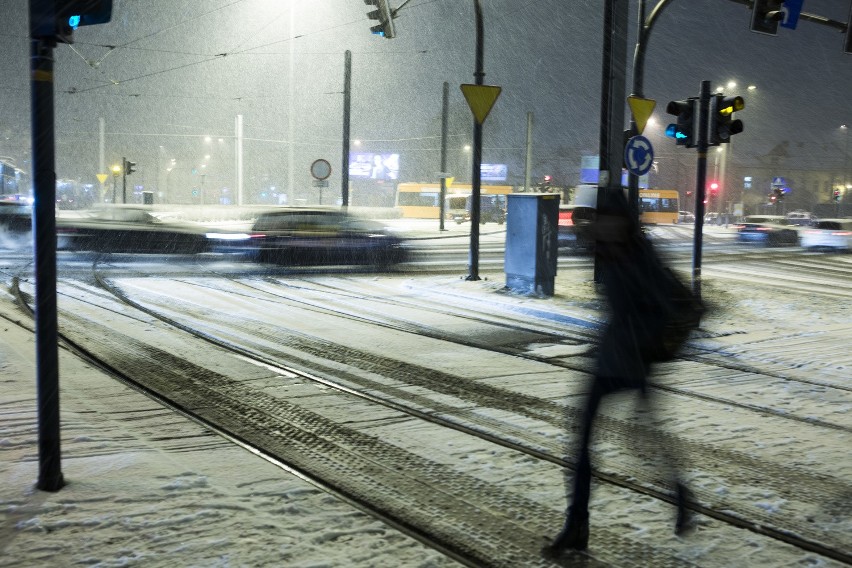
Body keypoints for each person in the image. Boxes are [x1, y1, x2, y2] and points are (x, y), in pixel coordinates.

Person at [544, 191, 692, 557]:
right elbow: (581, 232)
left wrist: (642, 339)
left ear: (624, 221)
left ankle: (680, 493)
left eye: (609, 218)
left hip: (635, 361)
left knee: (644, 441)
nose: (603, 224)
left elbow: (666, 305)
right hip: (612, 360)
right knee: (583, 445)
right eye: (602, 218)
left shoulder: (641, 259)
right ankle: (577, 525)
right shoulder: (608, 250)